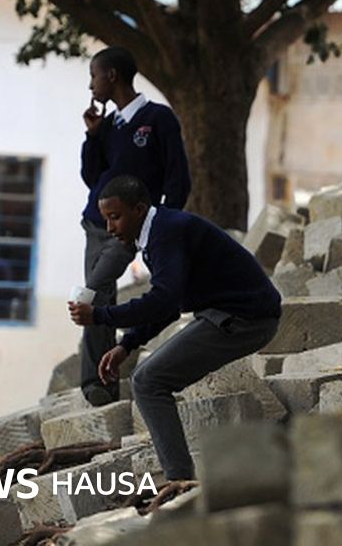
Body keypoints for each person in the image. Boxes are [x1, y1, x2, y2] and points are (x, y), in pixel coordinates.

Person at [68, 176, 280, 490]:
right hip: (227, 314)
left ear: (139, 210)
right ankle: (181, 477)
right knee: (147, 378)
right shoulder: (159, 232)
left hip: (246, 319)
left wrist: (99, 315)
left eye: (115, 217)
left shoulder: (166, 233)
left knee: (148, 381)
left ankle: (180, 481)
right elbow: (171, 305)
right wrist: (127, 344)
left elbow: (163, 300)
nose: (110, 228)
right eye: (106, 219)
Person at [78, 47, 192, 407]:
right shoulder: (109, 125)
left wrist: (163, 223)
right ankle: (104, 386)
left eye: (94, 76)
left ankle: (94, 386)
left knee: (93, 292)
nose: (91, 85)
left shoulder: (158, 118)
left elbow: (178, 178)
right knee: (98, 295)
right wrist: (92, 136)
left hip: (130, 227)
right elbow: (92, 178)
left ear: (111, 75)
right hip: (95, 224)